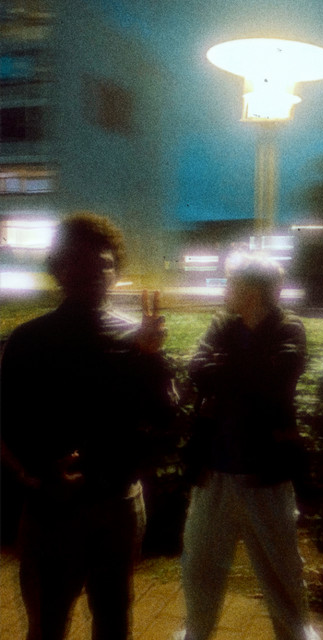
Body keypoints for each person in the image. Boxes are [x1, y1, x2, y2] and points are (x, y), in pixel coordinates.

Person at [0, 212, 178, 640]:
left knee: (114, 622)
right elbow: (7, 420)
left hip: (118, 506)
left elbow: (163, 417)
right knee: (47, 626)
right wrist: (35, 474)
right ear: (59, 269)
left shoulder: (134, 339)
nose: (96, 273)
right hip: (50, 511)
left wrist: (152, 356)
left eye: (105, 264)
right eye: (80, 262)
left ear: (116, 272)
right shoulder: (29, 339)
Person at [175, 252, 318, 640]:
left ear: (251, 290)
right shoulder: (222, 324)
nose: (224, 290)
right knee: (199, 568)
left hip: (265, 474)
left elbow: (275, 383)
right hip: (213, 472)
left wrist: (225, 369)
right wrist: (247, 370)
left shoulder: (289, 328)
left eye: (230, 282)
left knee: (282, 573)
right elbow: (197, 370)